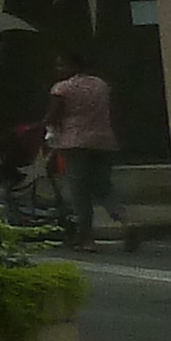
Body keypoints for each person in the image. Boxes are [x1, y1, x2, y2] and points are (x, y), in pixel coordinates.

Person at [43, 62, 120, 251]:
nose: (57, 69)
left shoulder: (62, 88)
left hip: (74, 142)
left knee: (79, 191)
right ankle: (126, 221)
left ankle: (86, 238)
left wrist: (44, 126)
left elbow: (54, 115)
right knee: (104, 185)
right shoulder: (101, 84)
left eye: (61, 64)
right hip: (104, 140)